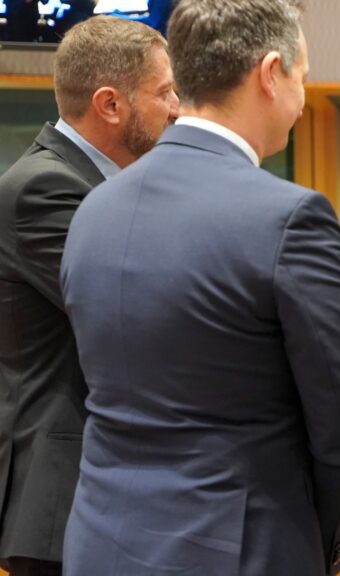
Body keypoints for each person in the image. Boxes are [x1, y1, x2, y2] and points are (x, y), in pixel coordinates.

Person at [59, 1, 340, 575]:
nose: (303, 98)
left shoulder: (93, 209)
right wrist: (316, 548)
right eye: (303, 77)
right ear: (270, 73)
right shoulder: (290, 218)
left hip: (100, 541)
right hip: (238, 549)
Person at [0, 16, 178, 576]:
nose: (177, 109)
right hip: (65, 498)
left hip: (106, 493)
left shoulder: (103, 185)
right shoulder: (45, 187)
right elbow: (141, 314)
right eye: (165, 92)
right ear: (110, 104)